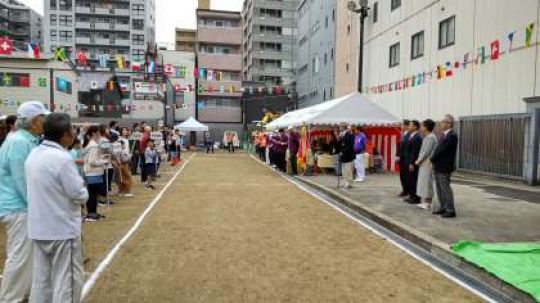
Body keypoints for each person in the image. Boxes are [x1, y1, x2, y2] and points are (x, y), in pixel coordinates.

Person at [25, 113, 88, 303]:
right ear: (64, 135)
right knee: (67, 281)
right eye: (72, 131)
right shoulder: (62, 158)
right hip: (61, 229)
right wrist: (83, 190)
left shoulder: (34, 154)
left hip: (38, 227)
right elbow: (78, 193)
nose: (73, 134)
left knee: (42, 281)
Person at [0, 101, 48, 302]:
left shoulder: (24, 140)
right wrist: (39, 208)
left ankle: (23, 294)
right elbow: (22, 180)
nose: (45, 122)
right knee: (20, 256)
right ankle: (10, 298)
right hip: (19, 207)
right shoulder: (20, 142)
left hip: (20, 206)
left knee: (27, 256)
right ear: (35, 121)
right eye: (43, 118)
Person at [431, 114, 459, 218]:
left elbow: (443, 150)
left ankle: (450, 210)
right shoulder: (443, 135)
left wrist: (432, 159)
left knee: (445, 188)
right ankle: (443, 207)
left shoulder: (452, 135)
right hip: (438, 165)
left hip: (444, 166)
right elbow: (438, 149)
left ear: (449, 124)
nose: (441, 123)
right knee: (439, 188)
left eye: (443, 122)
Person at [83, 126, 107, 222]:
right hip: (93, 173)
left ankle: (93, 212)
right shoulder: (93, 146)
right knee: (92, 194)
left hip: (93, 172)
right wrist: (103, 162)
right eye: (98, 133)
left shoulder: (92, 145)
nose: (99, 135)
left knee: (94, 193)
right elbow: (92, 161)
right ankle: (91, 213)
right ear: (93, 134)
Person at [415, 119, 438, 210]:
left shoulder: (431, 137)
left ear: (427, 127)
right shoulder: (427, 136)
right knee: (424, 182)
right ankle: (425, 201)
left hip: (427, 163)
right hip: (424, 163)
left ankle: (428, 202)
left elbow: (426, 152)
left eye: (423, 126)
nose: (421, 127)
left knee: (427, 182)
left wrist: (418, 160)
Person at [404, 120, 423, 204]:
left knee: (414, 180)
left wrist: (412, 163)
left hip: (413, 162)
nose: (409, 127)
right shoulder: (410, 136)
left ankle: (416, 198)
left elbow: (415, 152)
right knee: (410, 179)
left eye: (411, 125)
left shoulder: (417, 137)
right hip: (408, 161)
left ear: (415, 127)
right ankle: (411, 196)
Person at [118, 129, 134, 198]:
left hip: (126, 158)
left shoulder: (127, 140)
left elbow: (127, 149)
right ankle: (126, 191)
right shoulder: (120, 139)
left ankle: (121, 191)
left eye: (126, 130)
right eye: (123, 130)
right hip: (123, 159)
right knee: (126, 176)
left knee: (123, 176)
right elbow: (122, 150)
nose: (125, 131)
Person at [397, 119, 411, 197]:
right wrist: (398, 155)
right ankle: (404, 190)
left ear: (406, 126)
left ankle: (407, 190)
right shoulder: (403, 134)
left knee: (406, 176)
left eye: (402, 125)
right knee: (402, 175)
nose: (401, 126)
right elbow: (400, 146)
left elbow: (406, 148)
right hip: (401, 158)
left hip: (406, 158)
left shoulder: (409, 135)